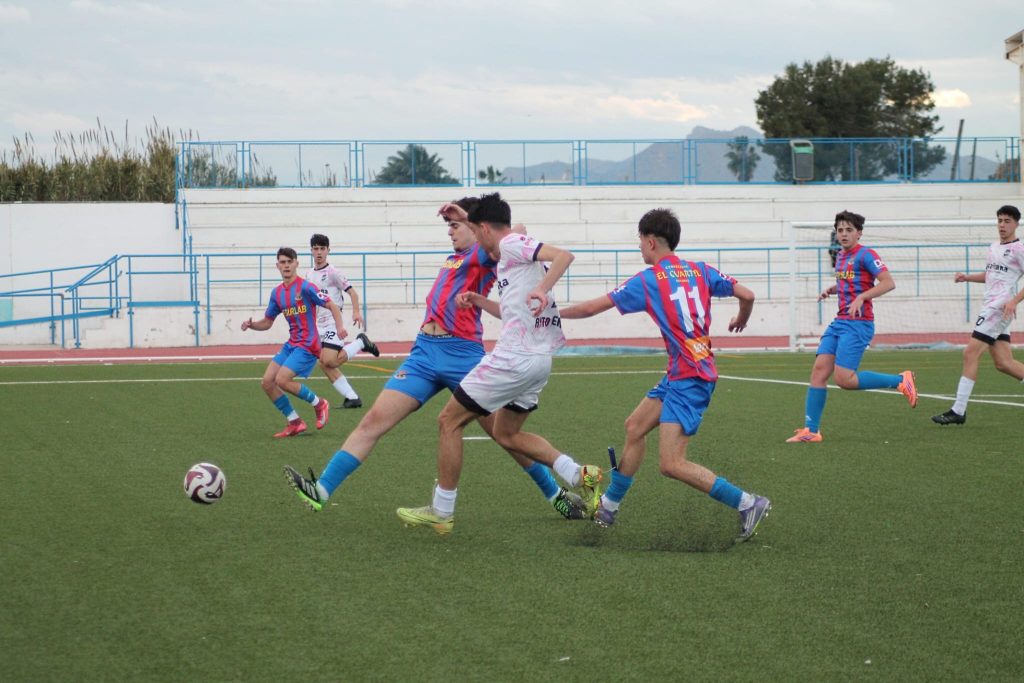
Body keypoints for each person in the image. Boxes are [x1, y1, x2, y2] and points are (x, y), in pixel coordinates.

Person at [284, 196, 595, 521]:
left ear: (478, 229)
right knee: (373, 421)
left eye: (456, 226)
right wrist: (464, 220)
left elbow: (517, 229)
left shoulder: (485, 254)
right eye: (449, 226)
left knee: (504, 435)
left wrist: (467, 216)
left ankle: (556, 495)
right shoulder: (453, 259)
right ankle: (321, 490)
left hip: (463, 355)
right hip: (423, 355)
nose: (450, 231)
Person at [395, 192, 603, 534]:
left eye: (476, 232)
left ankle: (442, 511)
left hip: (513, 358)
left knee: (448, 421)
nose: (477, 242)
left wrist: (542, 289)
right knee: (507, 434)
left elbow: (564, 256)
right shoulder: (512, 258)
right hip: (538, 361)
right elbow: (510, 311)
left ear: (484, 228)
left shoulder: (510, 244)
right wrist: (479, 300)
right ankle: (580, 474)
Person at [558, 207, 770, 541]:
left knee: (671, 463)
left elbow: (591, 308)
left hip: (690, 376)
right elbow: (748, 294)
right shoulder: (700, 270)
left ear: (651, 241)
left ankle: (747, 503)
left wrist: (552, 315)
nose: (639, 246)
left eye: (640, 240)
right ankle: (608, 508)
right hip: (683, 372)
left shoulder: (649, 280)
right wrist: (742, 317)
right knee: (635, 426)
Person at [786, 210, 917, 443]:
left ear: (859, 233)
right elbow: (849, 281)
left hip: (858, 324)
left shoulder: (867, 254)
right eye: (840, 230)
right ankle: (811, 431)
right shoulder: (840, 256)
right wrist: (832, 289)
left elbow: (888, 283)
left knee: (844, 380)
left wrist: (862, 297)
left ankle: (900, 381)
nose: (844, 234)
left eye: (849, 230)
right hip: (840, 322)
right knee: (818, 371)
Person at [241, 247, 376, 437]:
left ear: (296, 264)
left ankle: (319, 404)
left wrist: (339, 327)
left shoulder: (306, 287)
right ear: (277, 266)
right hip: (292, 343)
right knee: (267, 382)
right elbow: (268, 322)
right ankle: (295, 422)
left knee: (282, 379)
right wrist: (252, 325)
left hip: (308, 344)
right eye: (282, 262)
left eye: (290, 262)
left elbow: (331, 305)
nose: (286, 266)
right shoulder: (277, 293)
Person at [933, 205, 1024, 424]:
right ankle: (958, 411)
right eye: (1000, 220)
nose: (1002, 225)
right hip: (991, 306)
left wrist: (1014, 301)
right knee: (1003, 363)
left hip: (999, 308)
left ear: (1016, 224)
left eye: (1007, 221)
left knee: (970, 353)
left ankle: (958, 411)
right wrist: (967, 277)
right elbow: (991, 275)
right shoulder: (993, 247)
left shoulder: (1019, 249)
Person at [306, 233, 376, 409]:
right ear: (311, 251)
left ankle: (360, 343)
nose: (319, 252)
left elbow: (352, 293)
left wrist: (356, 312)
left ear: (328, 250)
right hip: (318, 325)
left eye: (322, 248)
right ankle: (352, 397)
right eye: (316, 248)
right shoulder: (309, 274)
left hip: (332, 322)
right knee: (324, 363)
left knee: (329, 361)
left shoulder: (333, 273)